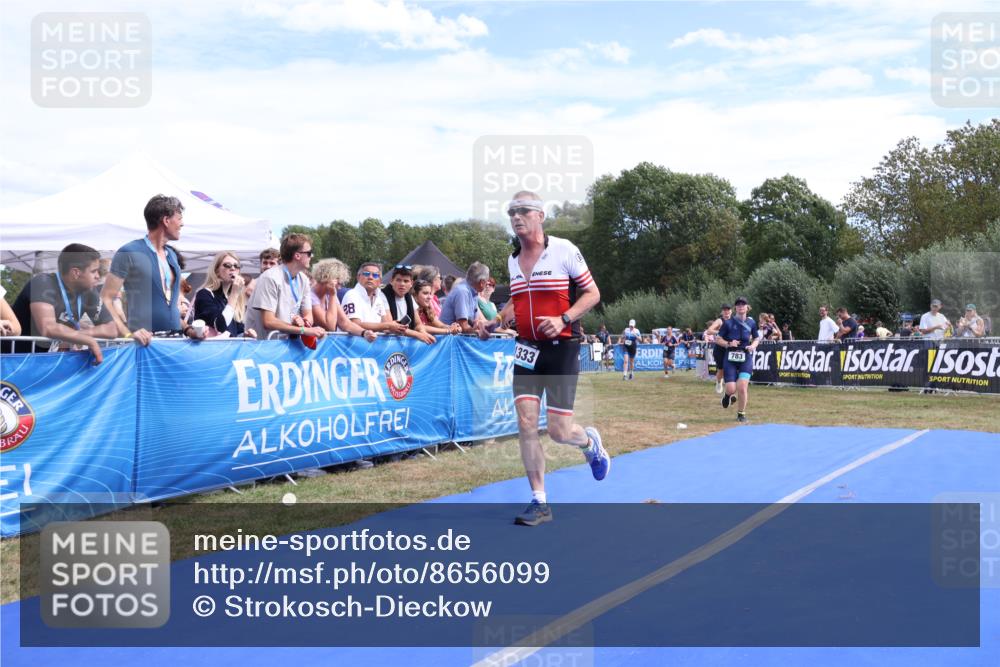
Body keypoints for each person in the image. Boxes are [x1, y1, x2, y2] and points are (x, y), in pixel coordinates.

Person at [479, 191, 609, 527]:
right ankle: (539, 501)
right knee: (525, 423)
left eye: (523, 211)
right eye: (511, 212)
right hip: (526, 349)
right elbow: (517, 302)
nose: (516, 217)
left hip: (562, 347)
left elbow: (592, 293)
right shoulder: (512, 259)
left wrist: (564, 318)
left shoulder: (564, 250)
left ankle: (589, 442)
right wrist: (495, 321)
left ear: (540, 215)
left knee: (558, 430)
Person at [101, 194, 204, 345]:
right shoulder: (129, 252)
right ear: (166, 220)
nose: (182, 224)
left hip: (176, 341)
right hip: (144, 343)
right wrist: (127, 333)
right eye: (179, 218)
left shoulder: (172, 256)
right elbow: (106, 298)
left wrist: (188, 329)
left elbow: (171, 307)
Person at [11, 244, 119, 362]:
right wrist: (88, 340)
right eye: (94, 271)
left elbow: (112, 329)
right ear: (76, 273)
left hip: (40, 362)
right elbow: (48, 327)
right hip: (10, 359)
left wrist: (80, 334)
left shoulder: (89, 292)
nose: (98, 276)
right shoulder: (42, 282)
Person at [244, 233, 327, 340]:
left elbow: (309, 316)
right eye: (309, 253)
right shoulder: (270, 278)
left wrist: (303, 322)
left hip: (286, 345)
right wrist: (303, 330)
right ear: (297, 256)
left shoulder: (303, 279)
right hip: (263, 347)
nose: (311, 256)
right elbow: (268, 321)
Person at [716, 296, 761, 424]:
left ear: (747, 307)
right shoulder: (728, 323)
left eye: (743, 304)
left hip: (745, 357)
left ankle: (741, 414)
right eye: (738, 304)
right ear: (735, 307)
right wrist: (729, 343)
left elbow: (757, 338)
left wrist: (753, 346)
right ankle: (727, 395)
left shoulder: (751, 323)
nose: (741, 306)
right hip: (730, 358)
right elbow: (718, 339)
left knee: (742, 387)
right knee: (731, 388)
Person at [192, 252, 257, 338]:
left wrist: (245, 335)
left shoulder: (230, 297)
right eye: (227, 265)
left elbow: (236, 331)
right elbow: (220, 326)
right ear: (217, 271)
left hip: (229, 349)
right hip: (212, 349)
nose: (233, 268)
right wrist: (234, 294)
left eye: (236, 266)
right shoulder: (205, 294)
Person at [309, 258, 374, 341]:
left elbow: (345, 323)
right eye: (338, 283)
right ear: (326, 278)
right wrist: (332, 296)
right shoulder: (311, 296)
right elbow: (330, 327)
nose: (339, 287)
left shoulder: (330, 295)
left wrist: (364, 332)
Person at [340, 262, 408, 336]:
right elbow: (354, 324)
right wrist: (389, 325)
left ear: (380, 280)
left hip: (372, 343)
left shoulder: (379, 298)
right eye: (366, 274)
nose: (370, 277)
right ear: (358, 277)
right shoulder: (352, 295)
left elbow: (385, 325)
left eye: (375, 275)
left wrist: (397, 327)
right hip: (352, 345)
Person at [381, 265, 436, 344]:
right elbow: (391, 326)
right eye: (398, 280)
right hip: (388, 344)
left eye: (406, 281)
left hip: (403, 342)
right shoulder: (382, 295)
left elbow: (418, 324)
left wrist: (423, 333)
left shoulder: (409, 297)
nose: (402, 284)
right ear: (391, 281)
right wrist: (418, 335)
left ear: (411, 283)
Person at [440, 263, 489, 334]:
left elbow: (475, 321)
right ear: (482, 282)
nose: (487, 284)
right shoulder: (463, 292)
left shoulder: (472, 291)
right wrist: (478, 331)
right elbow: (463, 327)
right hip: (448, 340)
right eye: (487, 281)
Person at [705, 304, 732, 394]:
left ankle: (730, 388)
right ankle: (719, 382)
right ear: (722, 312)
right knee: (721, 370)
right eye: (724, 310)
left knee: (730, 369)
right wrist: (721, 332)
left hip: (731, 348)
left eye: (728, 310)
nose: (726, 312)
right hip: (720, 348)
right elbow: (709, 331)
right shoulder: (720, 321)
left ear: (731, 311)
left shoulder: (734, 321)